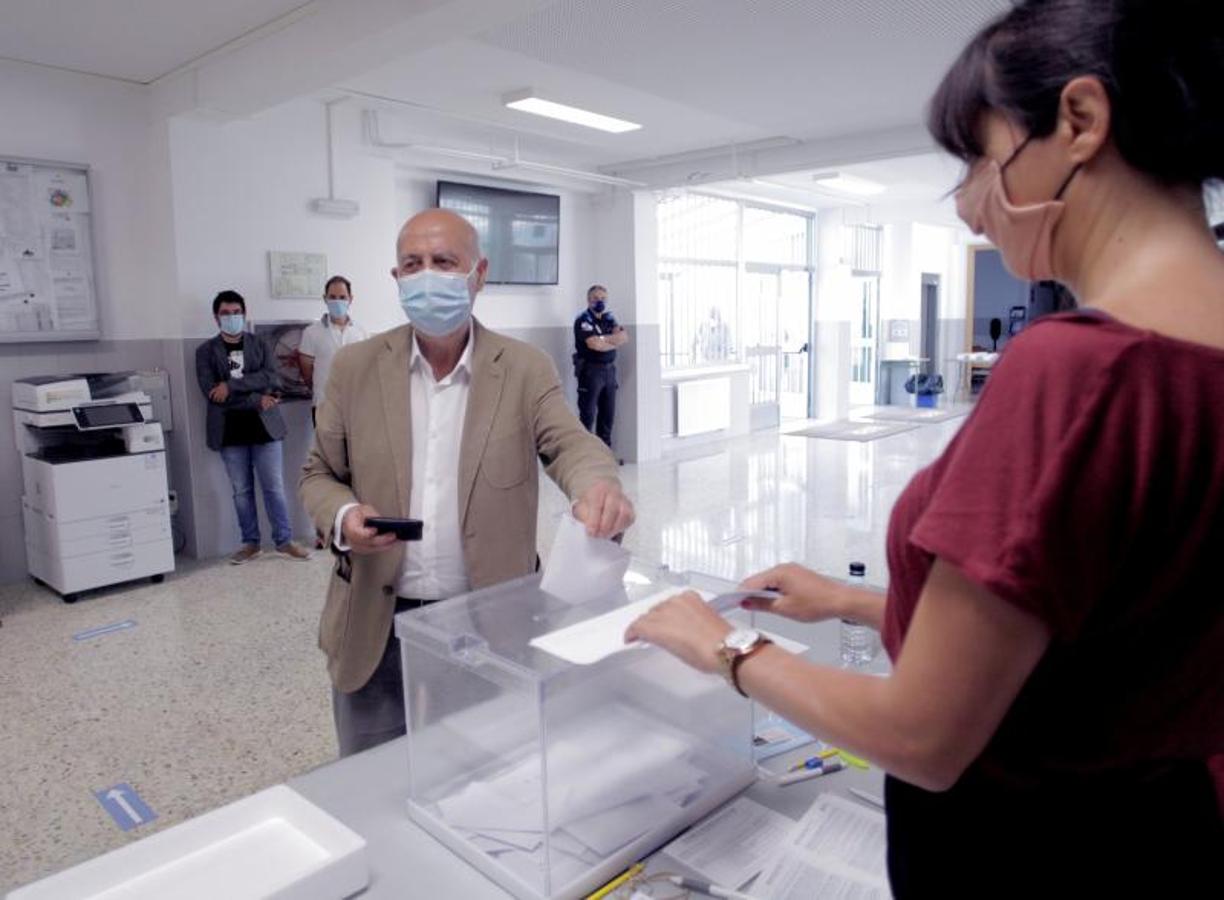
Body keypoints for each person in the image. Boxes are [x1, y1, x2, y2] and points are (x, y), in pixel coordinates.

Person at [626, 0, 1223, 893]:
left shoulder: (1079, 371)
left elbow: (924, 739)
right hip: (1166, 834)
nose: (975, 209)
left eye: (981, 159)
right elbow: (1096, 627)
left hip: (1025, 849)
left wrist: (728, 650)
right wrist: (857, 604)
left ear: (1080, 121)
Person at [300, 209, 635, 757]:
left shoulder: (525, 368)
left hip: (487, 624)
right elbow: (319, 474)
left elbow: (571, 444)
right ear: (396, 278)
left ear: (478, 274)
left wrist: (598, 486)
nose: (427, 275)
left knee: (481, 778)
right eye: (413, 264)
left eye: (444, 262)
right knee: (369, 782)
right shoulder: (355, 369)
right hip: (375, 625)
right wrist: (342, 517)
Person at [195, 290, 312, 565]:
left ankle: (284, 541)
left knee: (274, 487)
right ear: (216, 317)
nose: (232, 317)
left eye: (236, 312)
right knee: (241, 491)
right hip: (229, 430)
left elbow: (273, 378)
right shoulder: (205, 352)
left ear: (244, 314)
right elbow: (212, 393)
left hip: (265, 429)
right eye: (225, 313)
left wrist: (232, 385)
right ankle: (250, 544)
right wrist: (257, 397)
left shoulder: (259, 344)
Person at [298, 275, 369, 427]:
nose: (337, 301)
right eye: (333, 297)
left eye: (342, 297)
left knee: (355, 450)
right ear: (325, 299)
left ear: (351, 299)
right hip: (324, 406)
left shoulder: (361, 332)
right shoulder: (311, 333)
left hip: (355, 406)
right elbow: (306, 371)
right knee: (327, 451)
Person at [573, 284, 628, 448]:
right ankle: (586, 458)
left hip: (610, 371)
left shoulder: (609, 319)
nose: (599, 301)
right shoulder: (583, 320)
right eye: (596, 298)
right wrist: (612, 341)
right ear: (588, 300)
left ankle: (605, 457)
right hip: (591, 372)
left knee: (607, 416)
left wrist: (604, 340)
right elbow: (594, 345)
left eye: (603, 299)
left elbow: (624, 338)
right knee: (588, 416)